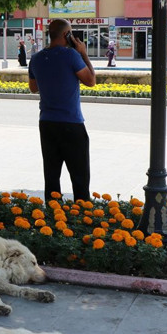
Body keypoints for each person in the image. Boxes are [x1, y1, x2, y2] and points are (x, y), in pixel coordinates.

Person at [28, 19, 96, 203]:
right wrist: (83, 54)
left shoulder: (36, 58)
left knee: (51, 177)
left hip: (47, 123)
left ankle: (53, 219)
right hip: (71, 124)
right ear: (67, 35)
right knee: (80, 178)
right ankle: (82, 217)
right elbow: (90, 80)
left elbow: (33, 87)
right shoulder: (72, 56)